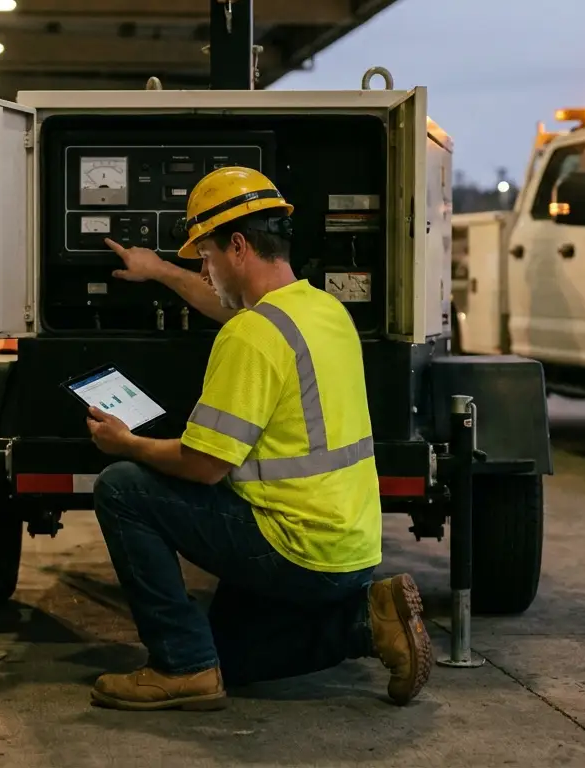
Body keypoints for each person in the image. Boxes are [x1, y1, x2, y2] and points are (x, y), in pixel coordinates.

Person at [83, 166, 434, 712]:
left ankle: (179, 669)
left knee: (123, 487)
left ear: (239, 246)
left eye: (207, 256)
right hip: (352, 548)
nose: (204, 268)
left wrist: (126, 443)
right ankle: (369, 623)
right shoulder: (323, 310)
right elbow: (225, 302)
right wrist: (157, 270)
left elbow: (203, 466)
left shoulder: (250, 335)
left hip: (294, 546)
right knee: (231, 656)